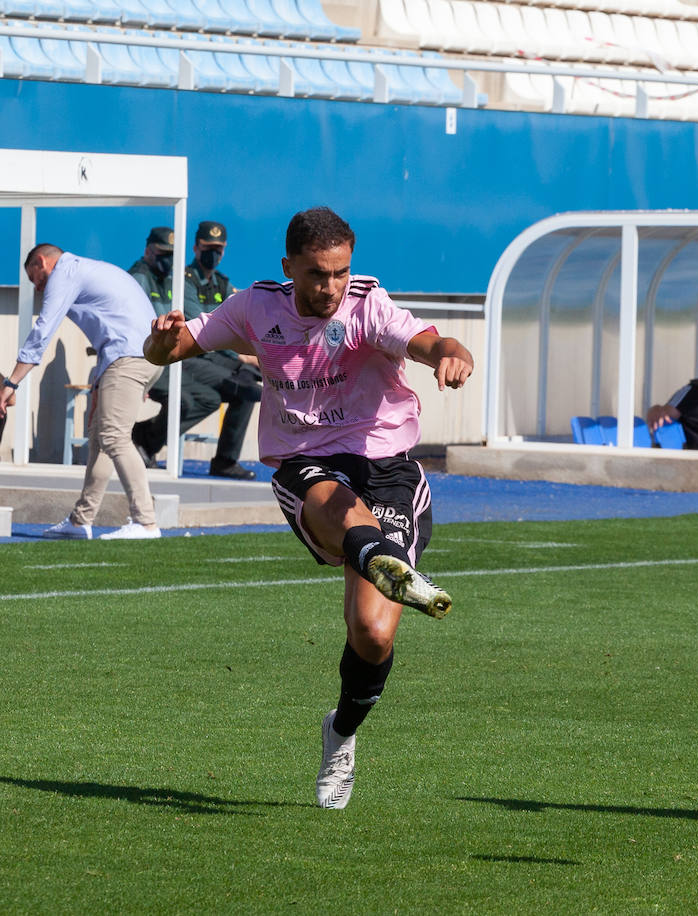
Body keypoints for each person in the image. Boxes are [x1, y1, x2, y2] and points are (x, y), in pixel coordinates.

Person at [143, 206, 474, 810]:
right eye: (317, 274)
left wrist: (453, 353)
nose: (330, 287)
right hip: (308, 464)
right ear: (289, 267)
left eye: (340, 272)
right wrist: (161, 343)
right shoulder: (255, 306)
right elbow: (172, 347)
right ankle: (381, 557)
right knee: (339, 507)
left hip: (388, 469)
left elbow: (430, 341)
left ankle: (341, 734)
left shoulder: (368, 305)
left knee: (372, 634)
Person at [1, 245, 165, 539]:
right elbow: (113, 326)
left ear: (42, 262)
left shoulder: (65, 273)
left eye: (34, 277)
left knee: (113, 437)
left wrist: (11, 383)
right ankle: (81, 520)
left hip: (129, 356)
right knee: (100, 439)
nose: (35, 286)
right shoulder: (88, 269)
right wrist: (99, 385)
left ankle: (146, 521)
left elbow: (43, 330)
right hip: (136, 355)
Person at [131, 220, 262, 480]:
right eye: (207, 247)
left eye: (218, 248)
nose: (213, 254)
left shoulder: (220, 283)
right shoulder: (176, 280)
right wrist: (242, 356)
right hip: (193, 355)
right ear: (196, 247)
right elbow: (202, 325)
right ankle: (147, 438)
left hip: (210, 355)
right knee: (242, 389)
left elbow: (236, 321)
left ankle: (223, 459)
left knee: (250, 384)